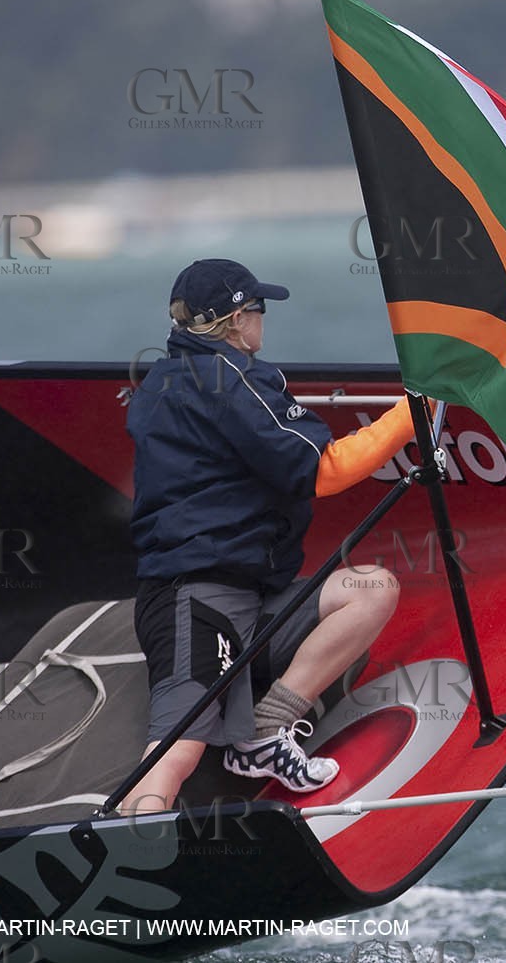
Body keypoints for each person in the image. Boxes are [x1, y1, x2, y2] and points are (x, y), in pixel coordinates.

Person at [121, 258, 418, 815]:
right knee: (175, 752)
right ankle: (119, 861)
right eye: (257, 308)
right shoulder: (231, 380)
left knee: (371, 588)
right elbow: (320, 470)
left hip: (250, 597)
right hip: (196, 599)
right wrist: (415, 412)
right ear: (235, 321)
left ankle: (264, 732)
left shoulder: (164, 377)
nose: (263, 318)